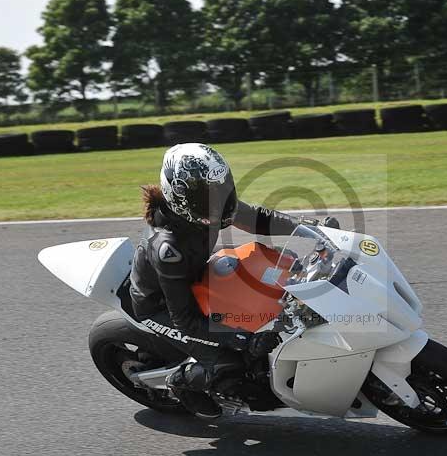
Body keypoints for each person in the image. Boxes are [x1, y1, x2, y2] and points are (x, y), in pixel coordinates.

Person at [129, 143, 335, 419]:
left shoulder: (206, 208)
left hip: (196, 277)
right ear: (180, 195)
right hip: (159, 307)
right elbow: (184, 320)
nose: (219, 201)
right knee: (231, 364)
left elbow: (257, 218)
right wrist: (243, 339)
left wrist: (310, 230)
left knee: (280, 290)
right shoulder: (169, 248)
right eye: (209, 195)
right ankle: (181, 381)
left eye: (221, 189)